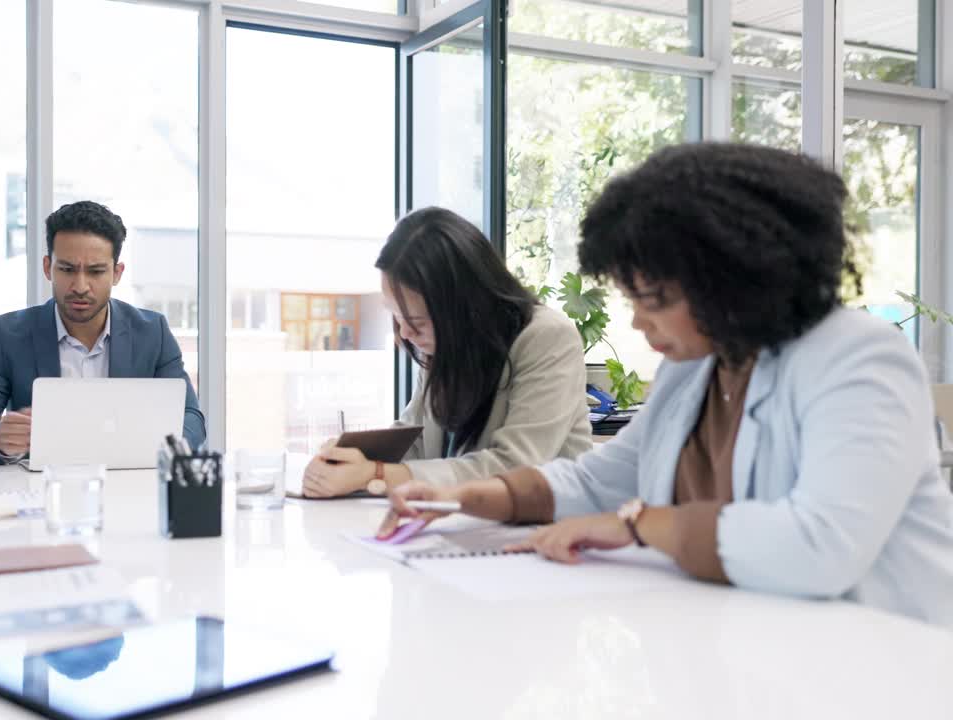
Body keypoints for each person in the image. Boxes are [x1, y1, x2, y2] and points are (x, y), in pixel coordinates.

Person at [379, 143, 953, 626]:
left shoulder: (859, 359)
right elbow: (601, 478)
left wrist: (638, 527)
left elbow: (820, 546)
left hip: (880, 659)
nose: (637, 322)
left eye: (655, 301)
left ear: (736, 281)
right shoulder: (698, 366)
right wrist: (472, 498)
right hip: (746, 644)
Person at [303, 207, 592, 498]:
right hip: (461, 528)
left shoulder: (547, 337)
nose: (405, 333)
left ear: (466, 307)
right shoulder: (446, 346)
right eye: (396, 317)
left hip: (548, 531)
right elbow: (412, 442)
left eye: (417, 322)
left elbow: (516, 466)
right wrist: (350, 458)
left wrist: (376, 473)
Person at [0, 200, 205, 464]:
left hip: (131, 487)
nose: (80, 286)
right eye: (67, 270)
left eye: (96, 271)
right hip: (42, 491)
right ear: (48, 268)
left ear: (116, 273)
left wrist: (155, 445)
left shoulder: (152, 333)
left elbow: (192, 419)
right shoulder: (7, 334)